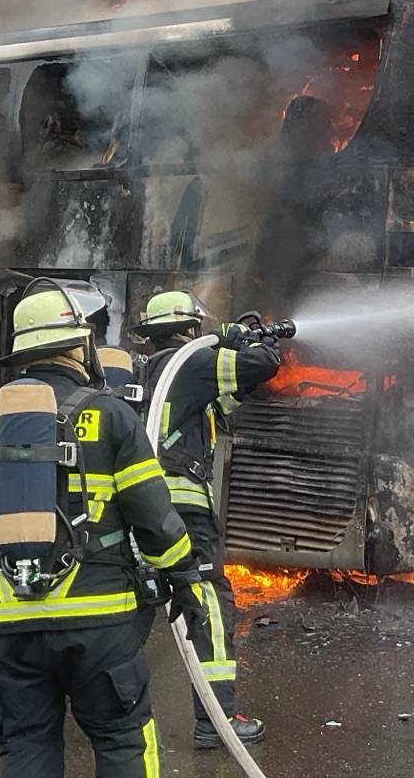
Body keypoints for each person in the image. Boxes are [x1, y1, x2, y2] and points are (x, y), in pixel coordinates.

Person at [0, 278, 209, 778]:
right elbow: (156, 518)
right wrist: (185, 581)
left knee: (26, 746)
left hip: (14, 628)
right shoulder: (112, 416)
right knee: (122, 743)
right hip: (102, 625)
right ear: (78, 347)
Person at [132, 290, 282, 748]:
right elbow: (263, 365)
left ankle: (113, 712)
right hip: (183, 508)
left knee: (132, 606)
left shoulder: (155, 372)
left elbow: (228, 397)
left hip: (143, 507)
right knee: (209, 605)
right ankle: (216, 721)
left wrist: (236, 342)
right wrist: (240, 340)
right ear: (190, 328)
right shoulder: (191, 363)